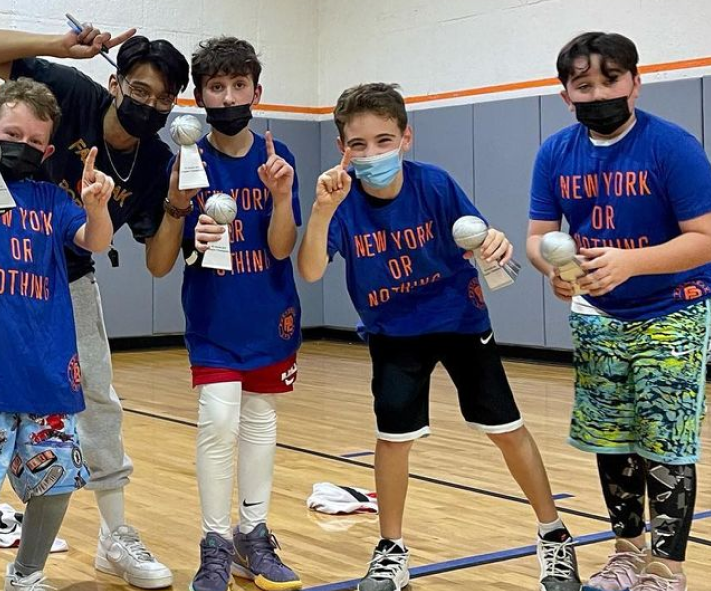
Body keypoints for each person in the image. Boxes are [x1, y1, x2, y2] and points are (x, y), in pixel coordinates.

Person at [295, 83, 580, 591]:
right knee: (393, 440)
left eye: (384, 141)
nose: (372, 154)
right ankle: (391, 552)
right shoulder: (339, 201)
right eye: (358, 145)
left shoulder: (436, 184)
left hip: (461, 322)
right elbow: (312, 270)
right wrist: (320, 211)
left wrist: (493, 242)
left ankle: (554, 535)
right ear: (343, 149)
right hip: (393, 333)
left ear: (407, 137)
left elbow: (480, 237)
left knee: (507, 427)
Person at [0, 26, 188, 588]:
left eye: (163, 99)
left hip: (71, 280)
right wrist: (63, 46)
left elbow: (158, 264)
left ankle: (115, 535)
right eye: (139, 90)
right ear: (115, 83)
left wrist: (178, 208)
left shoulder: (159, 160)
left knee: (99, 402)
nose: (149, 105)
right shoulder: (70, 90)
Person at [525, 32, 710, 591]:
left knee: (665, 443)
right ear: (566, 94)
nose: (598, 92)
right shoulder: (555, 152)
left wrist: (632, 263)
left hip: (672, 313)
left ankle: (667, 568)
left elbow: (704, 237)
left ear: (635, 81)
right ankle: (626, 554)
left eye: (610, 80)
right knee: (613, 439)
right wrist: (553, 271)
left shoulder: (671, 147)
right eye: (584, 85)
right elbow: (537, 238)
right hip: (598, 317)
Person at [0, 78, 116, 591]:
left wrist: (98, 206)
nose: (23, 147)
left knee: (56, 482)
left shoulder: (50, 198)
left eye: (35, 142)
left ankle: (27, 575)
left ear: (49, 150)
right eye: (13, 134)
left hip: (46, 370)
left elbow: (92, 240)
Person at [143, 36, 302, 591]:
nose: (229, 95)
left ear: (257, 91)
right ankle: (213, 543)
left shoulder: (279, 160)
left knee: (260, 425)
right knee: (217, 423)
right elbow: (161, 264)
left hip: (271, 318)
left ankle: (252, 536)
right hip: (213, 320)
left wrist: (281, 197)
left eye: (239, 86)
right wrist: (178, 208)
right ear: (201, 96)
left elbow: (282, 249)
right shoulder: (185, 163)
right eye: (217, 87)